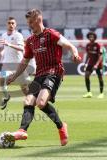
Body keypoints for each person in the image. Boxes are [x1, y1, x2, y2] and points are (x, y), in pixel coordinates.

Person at [4, 9, 81, 146]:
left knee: (40, 102)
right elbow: (24, 61)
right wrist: (15, 76)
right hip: (40, 74)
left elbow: (69, 45)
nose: (29, 25)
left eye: (31, 22)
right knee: (28, 100)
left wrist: (75, 53)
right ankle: (22, 130)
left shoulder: (51, 34)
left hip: (54, 72)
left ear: (38, 19)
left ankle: (61, 126)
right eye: (28, 23)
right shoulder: (31, 40)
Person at [0, 17, 36, 109]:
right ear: (6, 24)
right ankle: (6, 97)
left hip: (18, 66)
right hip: (7, 65)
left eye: (12, 23)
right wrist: (1, 53)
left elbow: (22, 48)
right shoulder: (4, 35)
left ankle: (34, 102)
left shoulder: (18, 35)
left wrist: (9, 44)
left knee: (25, 89)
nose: (11, 25)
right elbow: (5, 48)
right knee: (1, 78)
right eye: (9, 23)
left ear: (15, 25)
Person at [82, 31, 104, 98]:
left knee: (100, 78)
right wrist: (85, 63)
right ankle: (89, 92)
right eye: (90, 36)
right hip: (90, 63)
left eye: (92, 36)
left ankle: (101, 93)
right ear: (88, 37)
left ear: (95, 37)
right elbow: (88, 55)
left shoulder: (98, 45)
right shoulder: (88, 45)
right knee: (86, 75)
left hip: (98, 64)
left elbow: (100, 56)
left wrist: (96, 65)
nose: (91, 37)